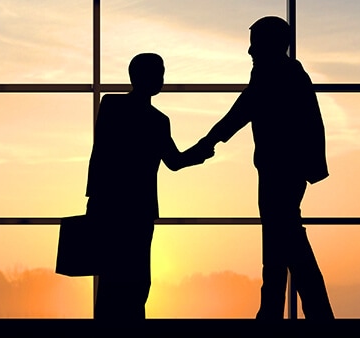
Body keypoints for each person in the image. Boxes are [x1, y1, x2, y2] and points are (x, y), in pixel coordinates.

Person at [192, 16, 335, 319]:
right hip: (285, 171)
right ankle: (280, 312)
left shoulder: (275, 73)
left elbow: (242, 110)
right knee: (282, 241)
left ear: (269, 44)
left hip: (279, 173)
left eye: (254, 43)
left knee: (285, 243)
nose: (249, 51)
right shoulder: (287, 72)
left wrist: (209, 142)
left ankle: (296, 314)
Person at [86, 53, 213, 320]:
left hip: (111, 205)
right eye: (159, 72)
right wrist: (200, 151)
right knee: (135, 279)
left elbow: (102, 156)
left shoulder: (112, 106)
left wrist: (94, 200)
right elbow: (175, 162)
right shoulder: (156, 119)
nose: (162, 78)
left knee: (113, 278)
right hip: (137, 210)